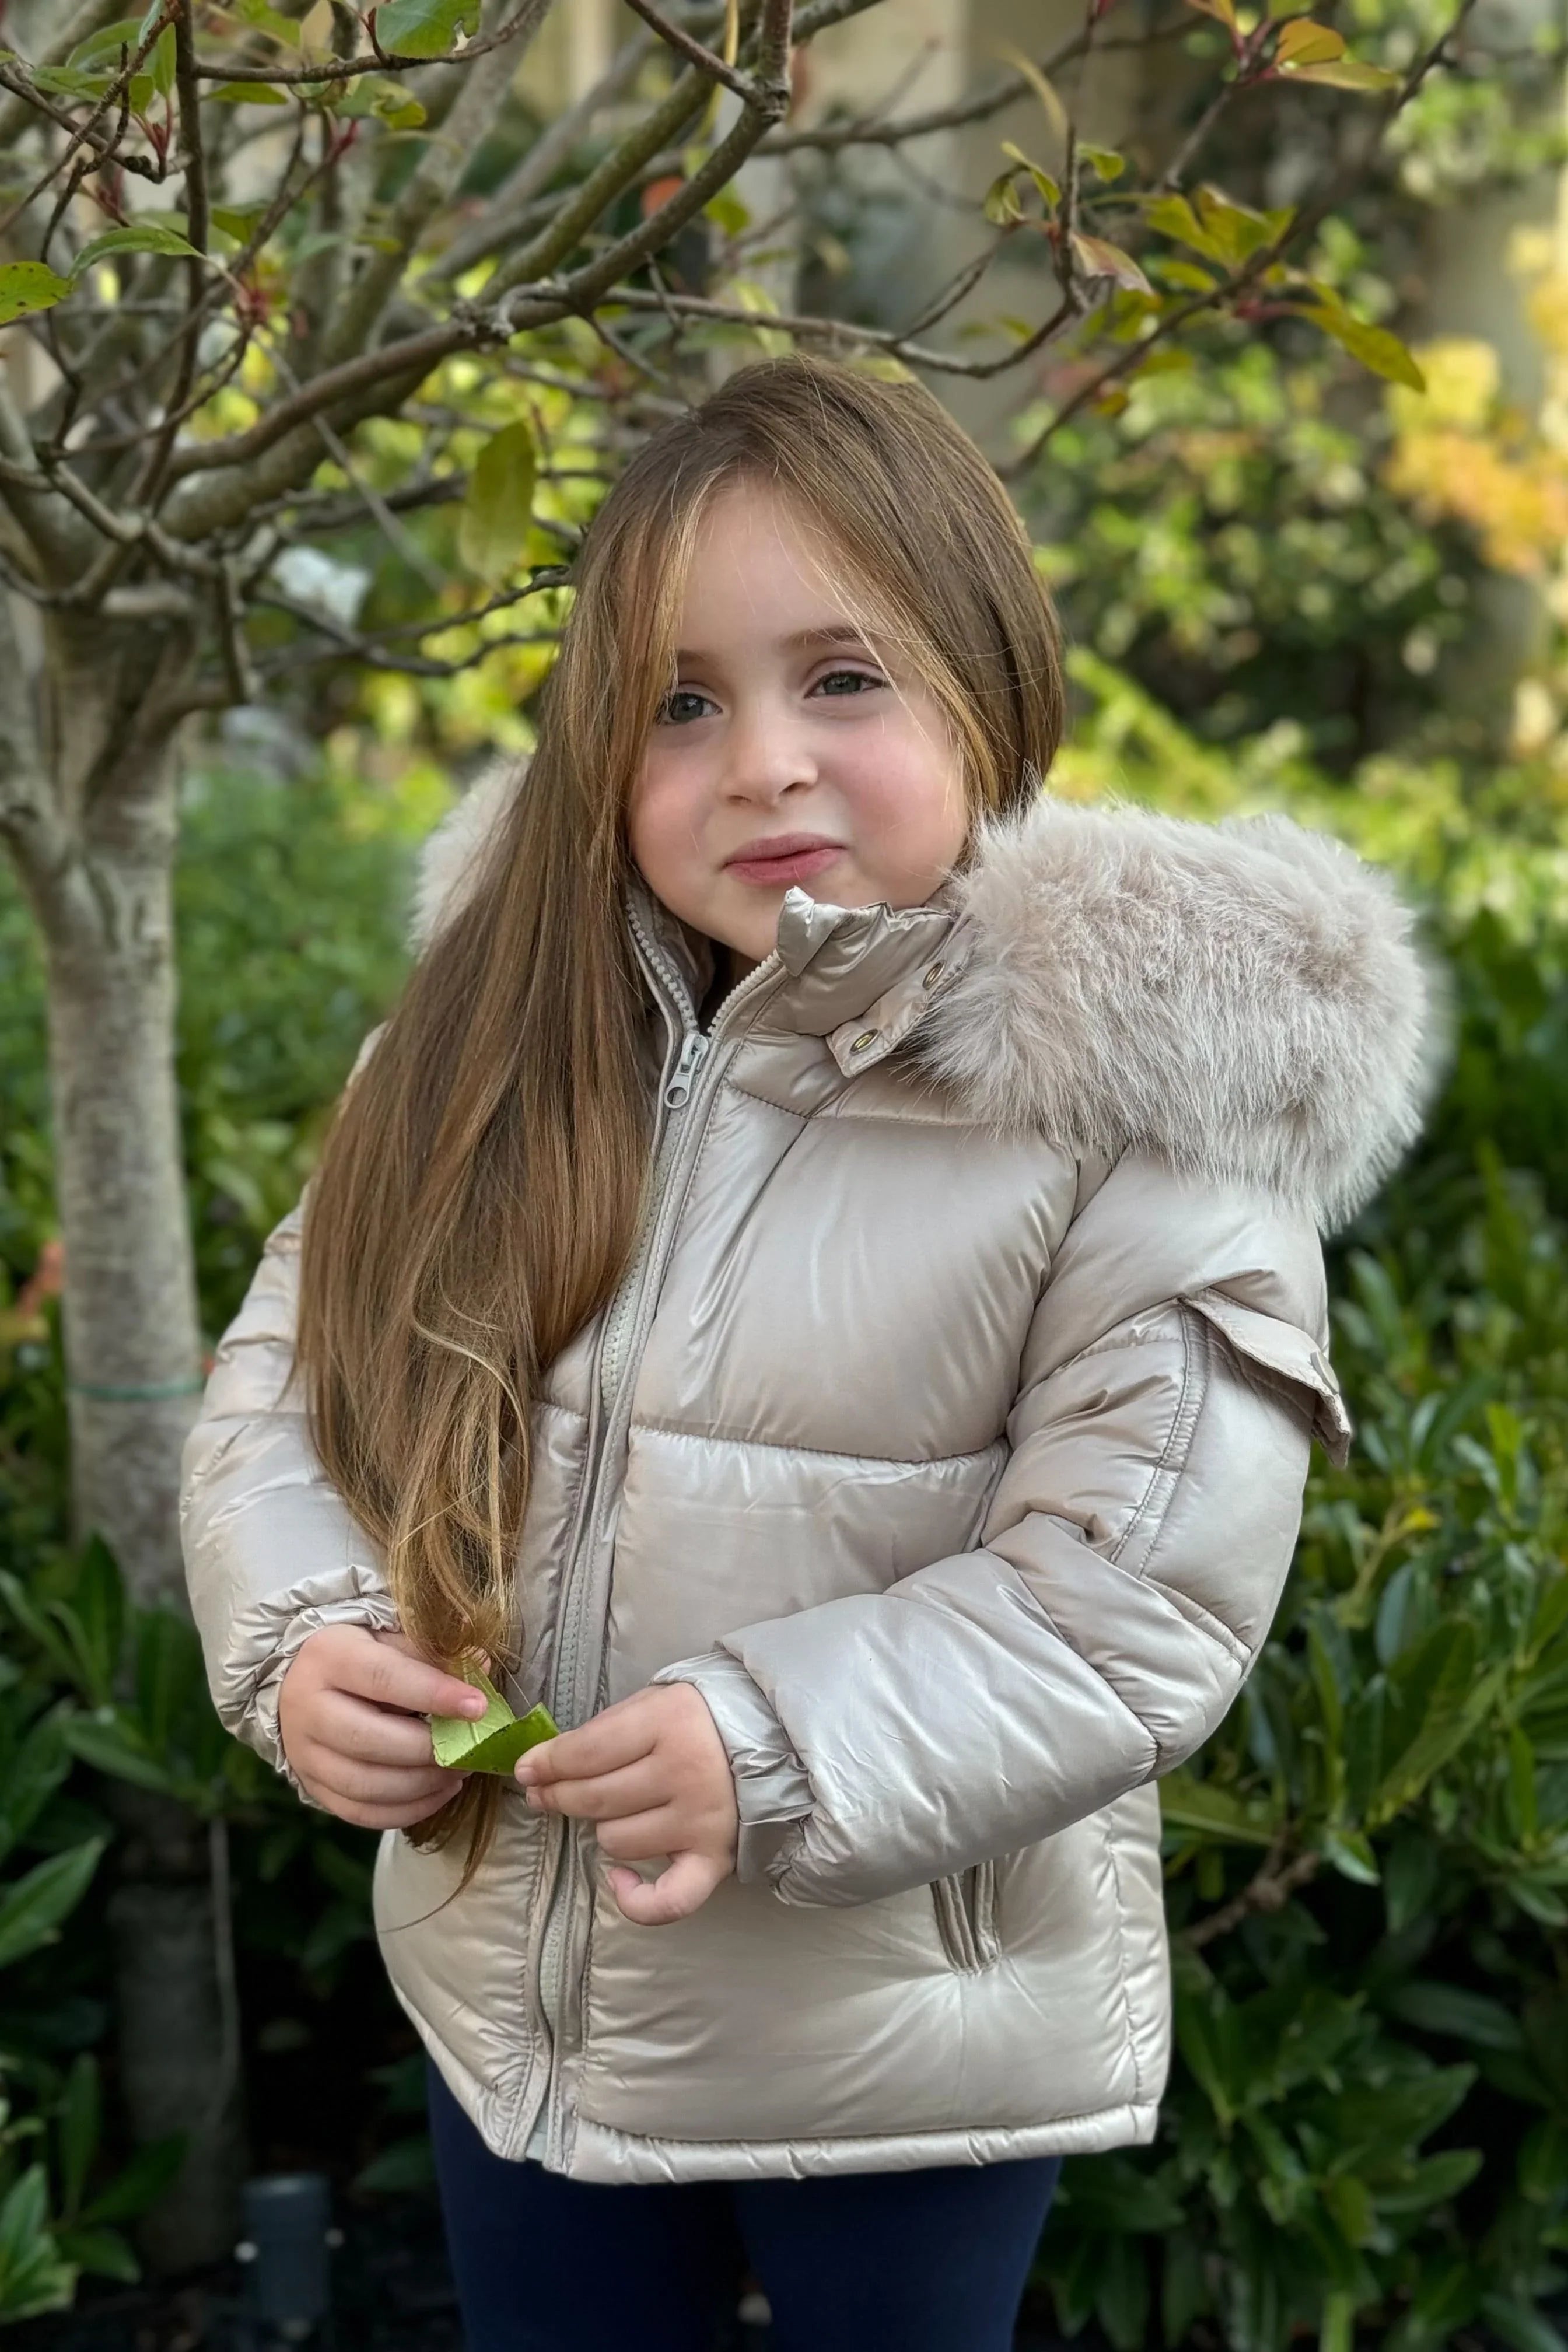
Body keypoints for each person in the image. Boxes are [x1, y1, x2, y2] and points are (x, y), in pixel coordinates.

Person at [181, 358, 1435, 2352]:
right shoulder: (495, 1053)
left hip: (902, 2052)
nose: (762, 760)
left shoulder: (1138, 1115)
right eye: (683, 703)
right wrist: (309, 1629)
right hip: (521, 2000)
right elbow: (292, 1388)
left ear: (993, 693)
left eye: (842, 679)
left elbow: (1129, 1601)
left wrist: (772, 1748)